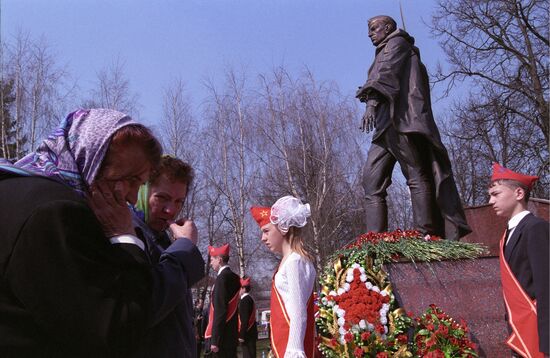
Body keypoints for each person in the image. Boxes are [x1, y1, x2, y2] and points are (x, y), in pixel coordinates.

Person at [0, 109, 168, 357]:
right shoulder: (60, 215)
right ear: (91, 159)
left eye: (141, 184)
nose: (133, 197)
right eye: (131, 179)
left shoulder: (12, 186)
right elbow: (116, 334)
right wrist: (127, 239)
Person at [355, 15, 471, 240]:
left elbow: (386, 73)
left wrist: (371, 103)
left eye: (373, 28)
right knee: (371, 180)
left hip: (401, 123)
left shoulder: (398, 43)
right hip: (383, 127)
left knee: (415, 175)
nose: (370, 34)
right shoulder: (386, 47)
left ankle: (426, 234)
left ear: (388, 28)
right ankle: (374, 240)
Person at [132, 155, 205, 358]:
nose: (170, 210)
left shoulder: (160, 238)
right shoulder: (129, 237)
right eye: (162, 198)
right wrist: (185, 247)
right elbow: (146, 306)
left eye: (178, 201)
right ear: (141, 190)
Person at [488, 163, 548, 357]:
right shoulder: (508, 233)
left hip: (536, 333)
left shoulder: (535, 228)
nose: (490, 201)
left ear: (519, 193)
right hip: (519, 328)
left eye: (496, 194)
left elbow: (546, 287)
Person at [250, 196, 316, 358]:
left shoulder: (295, 261)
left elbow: (298, 312)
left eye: (266, 231)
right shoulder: (290, 261)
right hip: (283, 344)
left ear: (283, 227)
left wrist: (294, 350)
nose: (263, 238)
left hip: (291, 347)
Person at [204, 243, 241, 357]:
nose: (210, 263)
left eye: (212, 259)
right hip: (230, 334)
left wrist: (215, 340)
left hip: (221, 337)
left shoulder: (221, 279)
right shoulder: (234, 277)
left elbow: (220, 310)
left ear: (219, 259)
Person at [238, 276, 258, 358]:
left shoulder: (244, 300)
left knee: (248, 355)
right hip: (251, 333)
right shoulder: (249, 299)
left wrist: (241, 335)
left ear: (243, 289)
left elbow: (245, 319)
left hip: (247, 334)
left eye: (239, 288)